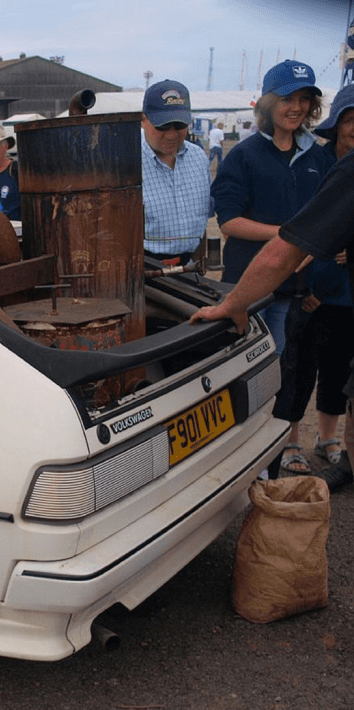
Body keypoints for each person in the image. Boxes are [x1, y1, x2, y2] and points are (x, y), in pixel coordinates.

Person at [190, 146, 354, 490]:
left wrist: (232, 303)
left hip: (284, 287)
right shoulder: (246, 156)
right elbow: (230, 219)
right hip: (274, 287)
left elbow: (282, 253)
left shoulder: (328, 164)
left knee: (281, 373)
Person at [210, 59, 332, 352]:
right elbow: (229, 221)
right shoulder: (244, 156)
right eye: (286, 98)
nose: (296, 107)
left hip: (294, 288)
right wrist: (285, 235)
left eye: (304, 99)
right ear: (267, 102)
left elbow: (325, 218)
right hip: (248, 289)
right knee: (243, 362)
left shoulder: (317, 157)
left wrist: (311, 252)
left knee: (275, 364)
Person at [269, 83, 354, 473]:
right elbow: (301, 228)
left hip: (347, 292)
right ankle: (290, 442)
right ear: (336, 123)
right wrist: (309, 286)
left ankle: (329, 437)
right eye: (350, 119)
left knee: (338, 370)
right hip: (311, 289)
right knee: (299, 369)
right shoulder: (314, 163)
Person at [139, 79, 213, 267]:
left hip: (189, 267)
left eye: (179, 125)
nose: (171, 135)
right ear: (143, 120)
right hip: (142, 268)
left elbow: (202, 221)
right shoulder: (125, 162)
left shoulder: (198, 158)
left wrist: (200, 263)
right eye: (162, 126)